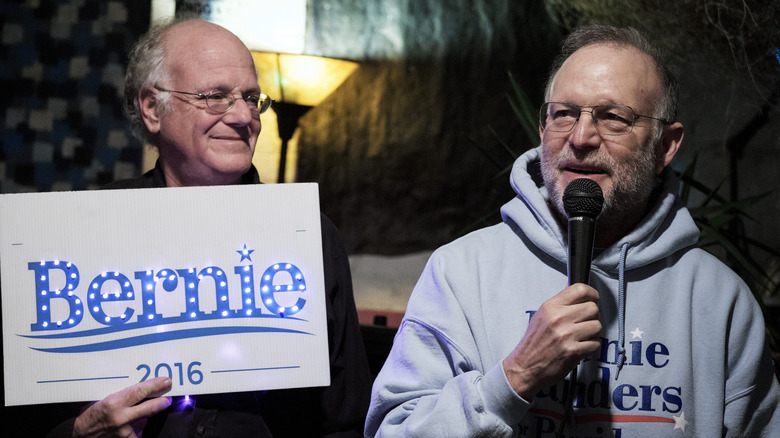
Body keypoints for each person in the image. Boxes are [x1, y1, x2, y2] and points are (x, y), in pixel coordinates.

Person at [365, 24, 780, 437]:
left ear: (665, 146)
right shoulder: (459, 273)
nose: (581, 138)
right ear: (543, 129)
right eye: (564, 114)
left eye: (614, 117)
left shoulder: (719, 300)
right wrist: (515, 377)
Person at [47, 18, 371, 438]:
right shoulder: (86, 230)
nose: (243, 116)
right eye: (215, 97)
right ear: (152, 108)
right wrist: (79, 433)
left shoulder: (306, 234)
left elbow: (347, 416)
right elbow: (34, 409)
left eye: (251, 98)